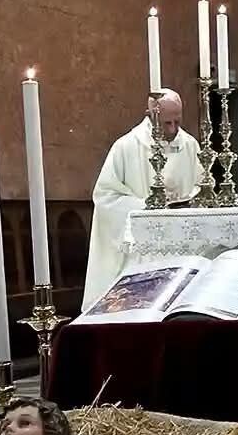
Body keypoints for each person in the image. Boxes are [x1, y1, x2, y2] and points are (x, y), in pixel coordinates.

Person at [86, 90, 202, 307]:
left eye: (178, 121)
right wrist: (145, 208)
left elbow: (201, 186)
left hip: (181, 243)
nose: (174, 129)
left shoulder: (189, 145)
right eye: (167, 123)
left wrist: (187, 199)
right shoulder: (127, 146)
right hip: (143, 251)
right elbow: (105, 196)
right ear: (150, 115)